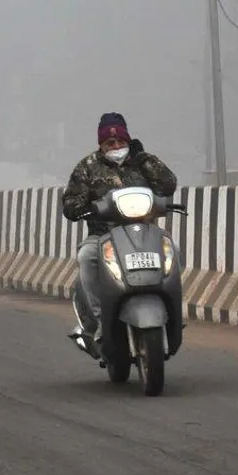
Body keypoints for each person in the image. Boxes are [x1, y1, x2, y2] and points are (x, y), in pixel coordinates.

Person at [60, 112, 177, 343]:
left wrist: (143, 158)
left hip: (144, 233)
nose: (116, 146)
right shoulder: (87, 167)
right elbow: (71, 202)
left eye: (120, 141)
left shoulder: (142, 162)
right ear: (101, 145)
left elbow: (168, 184)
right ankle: (99, 321)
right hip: (103, 236)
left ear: (128, 140)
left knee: (174, 250)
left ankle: (173, 313)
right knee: (86, 257)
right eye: (109, 142)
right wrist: (85, 208)